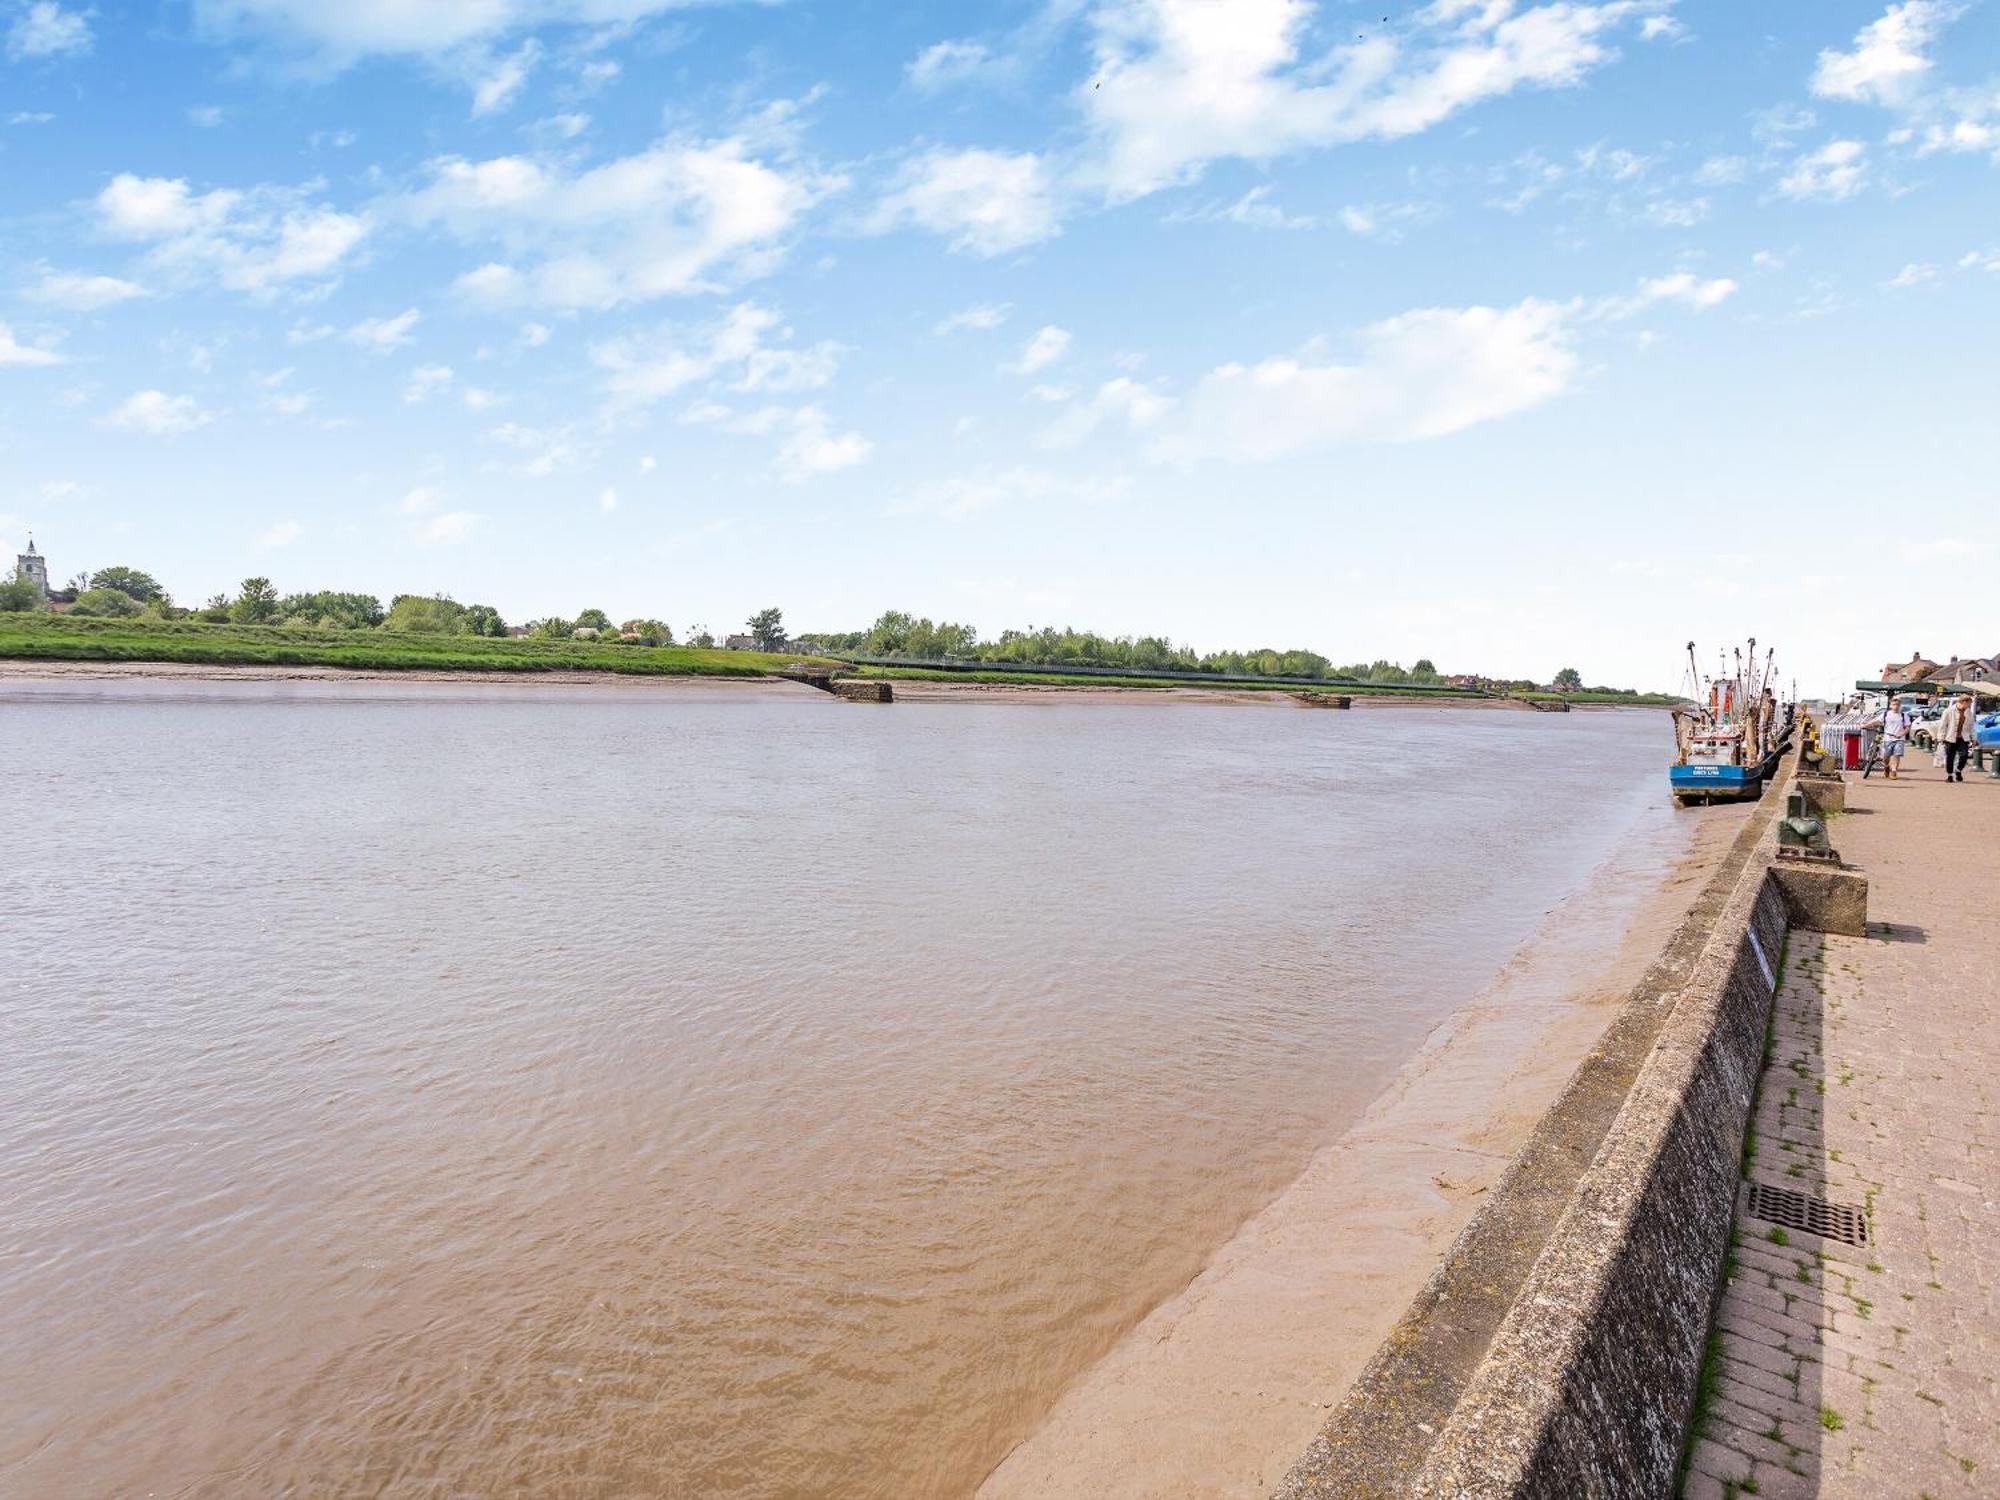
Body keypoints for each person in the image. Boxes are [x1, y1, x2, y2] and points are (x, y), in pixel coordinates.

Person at [1939, 690, 1975, 782]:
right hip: (1950, 737)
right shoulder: (1948, 711)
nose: (1969, 706)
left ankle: (1958, 770)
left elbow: (1971, 726)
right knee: (1950, 757)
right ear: (1963, 702)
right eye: (1969, 704)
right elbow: (1943, 725)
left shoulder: (1968, 713)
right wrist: (1941, 737)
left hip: (1963, 737)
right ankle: (1950, 775)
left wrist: (1974, 738)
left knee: (1964, 755)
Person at [1878, 695, 1909, 779]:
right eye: (1894, 704)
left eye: (1898, 704)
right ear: (1890, 705)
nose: (1896, 706)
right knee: (1886, 756)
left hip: (1899, 739)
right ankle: (1886, 766)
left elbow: (1907, 727)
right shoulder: (1885, 714)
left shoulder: (1903, 715)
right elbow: (1876, 721)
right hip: (1888, 738)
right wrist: (1864, 725)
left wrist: (1902, 733)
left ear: (1900, 705)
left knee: (1896, 755)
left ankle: (1894, 771)